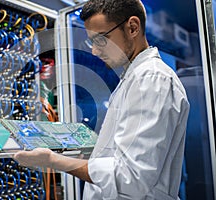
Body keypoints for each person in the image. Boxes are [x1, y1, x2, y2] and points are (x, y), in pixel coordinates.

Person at [13, 0, 190, 199]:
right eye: (92, 42)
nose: (95, 52)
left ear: (132, 27)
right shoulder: (134, 78)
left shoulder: (151, 80)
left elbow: (130, 179)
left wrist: (53, 160)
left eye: (101, 40)